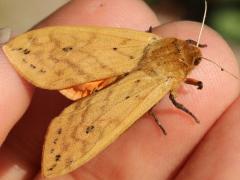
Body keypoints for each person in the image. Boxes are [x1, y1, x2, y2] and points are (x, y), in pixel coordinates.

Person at [0, 0, 239, 179]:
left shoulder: (152, 41)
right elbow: (176, 101)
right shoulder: (168, 80)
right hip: (137, 88)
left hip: (131, 53)